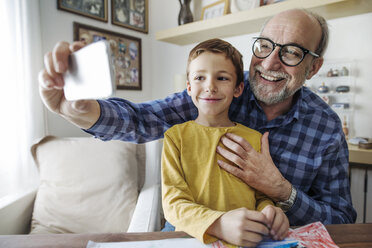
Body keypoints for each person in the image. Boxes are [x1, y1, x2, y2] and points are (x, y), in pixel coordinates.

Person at [39, 8, 356, 242]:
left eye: (292, 52)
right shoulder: (216, 93)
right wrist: (77, 110)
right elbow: (141, 119)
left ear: (313, 67)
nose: (271, 62)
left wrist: (281, 192)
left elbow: (342, 220)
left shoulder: (326, 127)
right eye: (264, 46)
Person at [161, 38, 289, 247]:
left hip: (246, 241)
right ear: (189, 87)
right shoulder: (175, 137)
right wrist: (217, 223)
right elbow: (173, 205)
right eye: (200, 77)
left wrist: (269, 210)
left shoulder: (253, 138)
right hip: (190, 240)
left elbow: (260, 197)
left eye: (222, 78)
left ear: (238, 89)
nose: (210, 86)